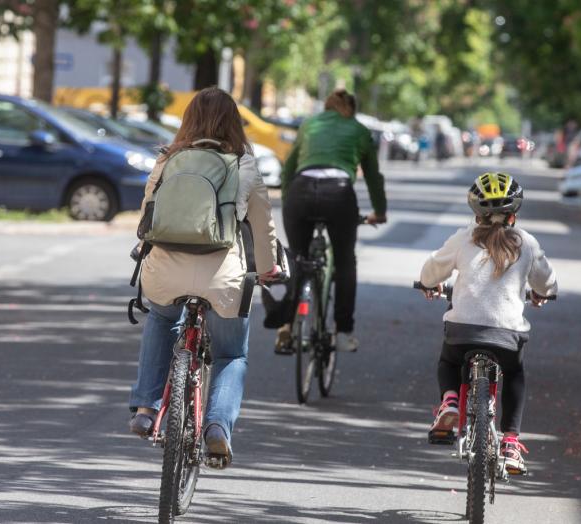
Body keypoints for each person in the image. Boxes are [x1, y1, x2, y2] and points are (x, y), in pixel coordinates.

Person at [127, 87, 279, 468]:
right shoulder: (243, 163)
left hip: (164, 272)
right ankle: (216, 428)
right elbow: (263, 226)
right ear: (234, 122)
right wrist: (268, 267)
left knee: (162, 319)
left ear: (188, 119)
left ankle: (147, 408)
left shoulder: (168, 160)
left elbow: (147, 216)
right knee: (230, 354)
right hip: (222, 279)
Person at [418, 172, 557, 476]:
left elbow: (431, 271)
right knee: (516, 372)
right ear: (514, 213)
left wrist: (428, 283)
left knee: (449, 360)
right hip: (508, 335)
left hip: (462, 332)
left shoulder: (463, 237)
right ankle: (510, 440)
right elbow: (547, 281)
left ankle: (451, 402)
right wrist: (543, 293)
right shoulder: (527, 243)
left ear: (475, 211)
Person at [278, 89, 387, 353]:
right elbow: (373, 177)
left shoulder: (308, 125)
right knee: (345, 261)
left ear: (326, 107)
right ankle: (342, 330)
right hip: (338, 194)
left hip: (300, 191)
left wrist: (288, 203)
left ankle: (286, 326)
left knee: (297, 260)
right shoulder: (359, 130)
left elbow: (288, 170)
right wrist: (380, 212)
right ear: (351, 109)